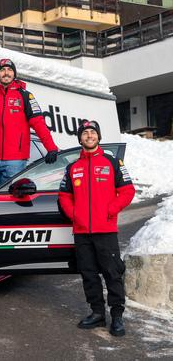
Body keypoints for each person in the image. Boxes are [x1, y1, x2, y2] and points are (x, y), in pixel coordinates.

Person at [58, 120, 135, 337]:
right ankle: (97, 313)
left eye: (93, 132)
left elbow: (127, 191)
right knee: (89, 274)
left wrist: (110, 210)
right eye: (85, 133)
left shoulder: (113, 162)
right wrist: (75, 214)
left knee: (112, 273)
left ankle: (117, 316)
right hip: (82, 232)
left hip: (106, 231)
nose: (89, 136)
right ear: (80, 139)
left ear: (98, 137)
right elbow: (64, 196)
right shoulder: (72, 167)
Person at [0, 58, 59, 194]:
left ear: (14, 74)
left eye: (10, 70)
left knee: (9, 201)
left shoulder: (25, 96)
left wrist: (51, 148)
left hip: (16, 162)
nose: (6, 73)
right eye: (2, 70)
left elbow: (38, 123)